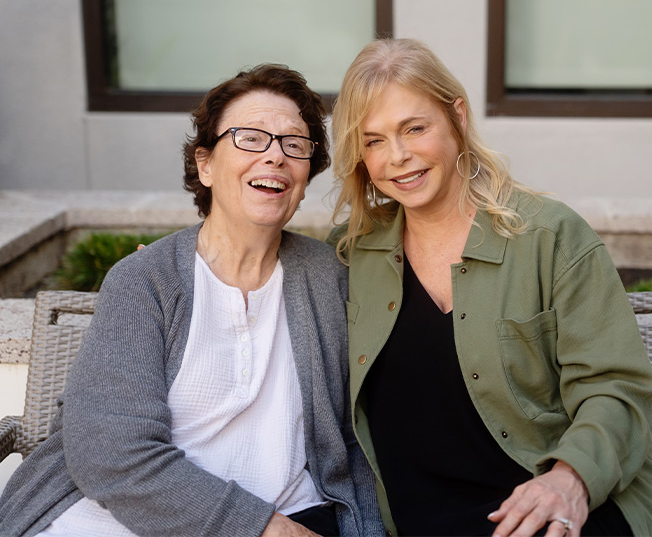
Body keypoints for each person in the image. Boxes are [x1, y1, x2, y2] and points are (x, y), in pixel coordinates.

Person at [0, 64, 383, 537]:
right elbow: (112, 453)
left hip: (292, 511)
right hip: (119, 516)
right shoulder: (146, 282)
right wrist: (262, 529)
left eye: (294, 145)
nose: (275, 157)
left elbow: (373, 414)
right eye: (250, 138)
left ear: (306, 176)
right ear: (205, 164)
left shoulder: (328, 279)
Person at [328, 38, 652, 537]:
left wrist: (569, 480)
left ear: (458, 117)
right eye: (374, 140)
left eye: (415, 128)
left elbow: (616, 387)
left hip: (564, 504)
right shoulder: (350, 253)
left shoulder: (549, 237)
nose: (398, 157)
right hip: (426, 519)